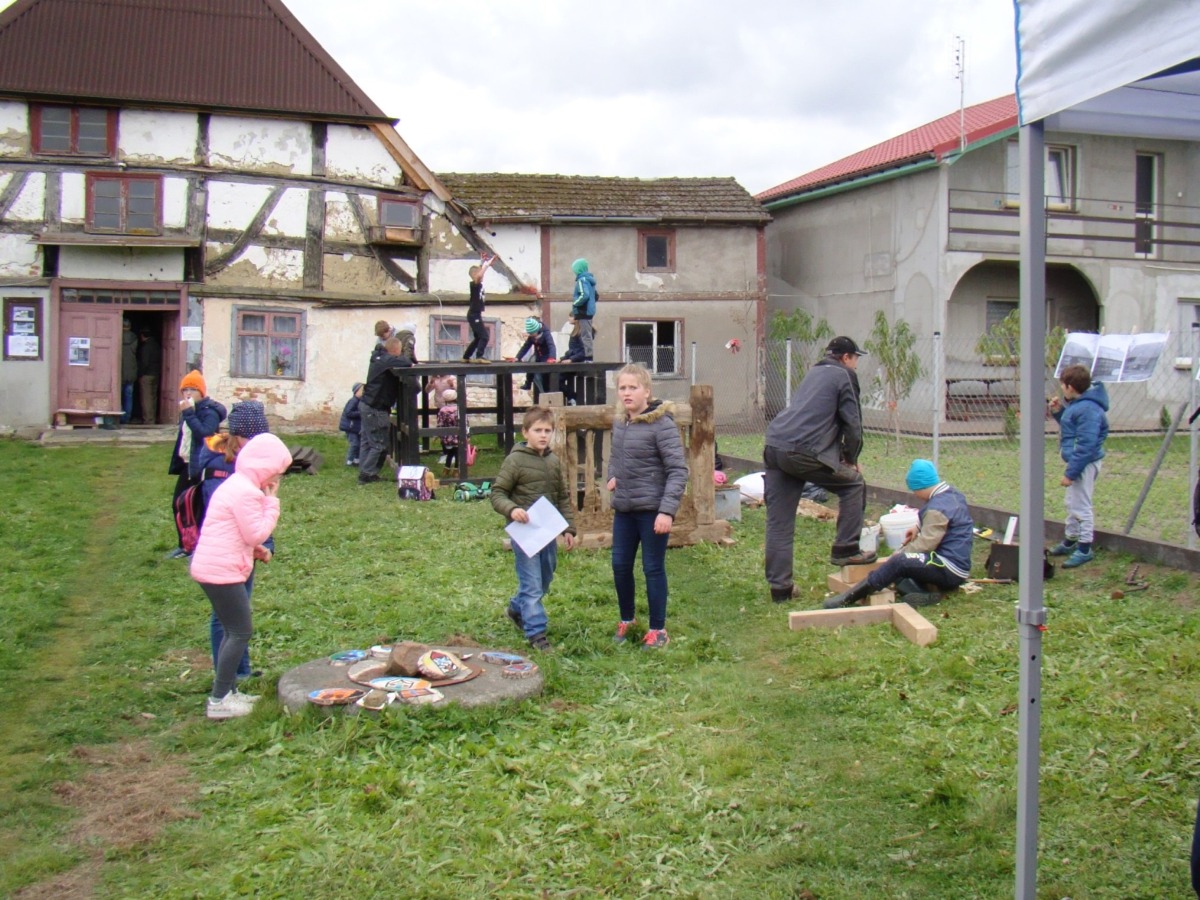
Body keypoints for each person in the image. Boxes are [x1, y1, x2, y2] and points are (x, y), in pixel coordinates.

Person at [763, 335, 872, 603]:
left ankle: (781, 589)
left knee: (779, 523)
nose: (856, 364)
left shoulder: (815, 372)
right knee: (854, 484)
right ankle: (846, 549)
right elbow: (853, 425)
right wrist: (851, 458)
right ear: (846, 357)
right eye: (855, 358)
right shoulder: (844, 375)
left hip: (775, 445)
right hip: (802, 451)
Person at [190, 432, 292, 719]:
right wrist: (272, 503)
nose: (277, 478)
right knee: (239, 632)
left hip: (214, 564)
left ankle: (229, 692)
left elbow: (232, 530)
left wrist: (254, 549)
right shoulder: (247, 492)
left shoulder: (235, 484)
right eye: (276, 471)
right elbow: (256, 531)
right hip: (221, 572)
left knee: (231, 631)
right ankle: (219, 700)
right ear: (263, 466)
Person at [607, 363, 689, 649]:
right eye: (622, 388)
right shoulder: (621, 422)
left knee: (652, 568)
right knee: (620, 565)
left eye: (633, 387)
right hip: (624, 509)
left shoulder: (661, 424)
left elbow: (678, 470)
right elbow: (615, 457)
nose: (627, 393)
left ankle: (658, 630)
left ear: (647, 391)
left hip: (653, 511)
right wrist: (613, 476)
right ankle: (627, 620)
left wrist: (666, 511)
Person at [823, 459, 973, 608]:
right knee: (897, 570)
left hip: (948, 569)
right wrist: (918, 527)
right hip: (955, 564)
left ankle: (849, 598)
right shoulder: (951, 494)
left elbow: (926, 544)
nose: (915, 494)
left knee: (898, 563)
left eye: (914, 490)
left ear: (919, 487)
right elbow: (943, 522)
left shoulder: (936, 509)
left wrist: (900, 555)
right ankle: (923, 595)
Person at [196, 401, 273, 681]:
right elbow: (232, 515)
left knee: (240, 617)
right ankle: (227, 678)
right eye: (255, 440)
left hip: (244, 549)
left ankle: (242, 671)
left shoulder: (244, 465)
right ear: (240, 438)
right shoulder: (222, 467)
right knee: (226, 620)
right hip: (225, 554)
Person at [490, 406, 577, 652]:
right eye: (538, 430)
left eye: (547, 431)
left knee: (545, 579)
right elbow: (497, 493)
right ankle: (536, 633)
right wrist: (512, 510)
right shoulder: (515, 460)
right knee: (532, 584)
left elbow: (561, 497)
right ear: (525, 432)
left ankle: (516, 608)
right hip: (524, 534)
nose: (543, 435)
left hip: (546, 532)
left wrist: (569, 528)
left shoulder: (553, 461)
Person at [1048, 364, 1109, 568]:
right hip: (1078, 462)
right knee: (1071, 502)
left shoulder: (1088, 409)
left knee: (1081, 506)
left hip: (1083, 464)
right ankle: (1071, 539)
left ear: (1071, 387)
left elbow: (1086, 445)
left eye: (1062, 385)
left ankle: (1084, 548)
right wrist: (1059, 412)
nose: (1061, 389)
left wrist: (1071, 473)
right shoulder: (1079, 405)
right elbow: (1071, 428)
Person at [166, 371, 226, 559]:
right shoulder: (189, 409)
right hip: (188, 463)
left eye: (192, 389)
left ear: (201, 391)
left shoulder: (209, 412)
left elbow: (205, 434)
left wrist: (189, 414)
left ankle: (195, 546)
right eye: (185, 390)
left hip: (202, 465)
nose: (188, 393)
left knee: (197, 505)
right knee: (180, 504)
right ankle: (186, 544)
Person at [357, 335, 414, 485]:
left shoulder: (378, 358)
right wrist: (406, 358)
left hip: (368, 405)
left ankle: (368, 472)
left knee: (369, 442)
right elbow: (406, 362)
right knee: (379, 444)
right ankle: (366, 474)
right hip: (375, 407)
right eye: (400, 350)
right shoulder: (386, 360)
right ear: (396, 350)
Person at [463, 256, 495, 362]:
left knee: (478, 338)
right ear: (474, 275)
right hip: (474, 314)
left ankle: (466, 357)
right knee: (484, 336)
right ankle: (479, 356)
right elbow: (479, 275)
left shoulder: (478, 284)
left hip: (475, 314)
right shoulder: (475, 285)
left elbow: (479, 272)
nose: (482, 276)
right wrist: (487, 265)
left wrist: (482, 261)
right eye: (480, 274)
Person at [514, 317, 556, 395]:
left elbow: (551, 345)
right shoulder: (532, 336)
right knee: (531, 362)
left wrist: (552, 357)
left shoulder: (546, 333)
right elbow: (526, 347)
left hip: (546, 357)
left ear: (537, 330)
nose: (531, 335)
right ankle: (528, 383)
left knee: (539, 376)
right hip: (538, 356)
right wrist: (517, 357)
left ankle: (544, 393)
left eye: (532, 333)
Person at [558, 317, 591, 405]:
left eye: (571, 316)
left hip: (577, 362)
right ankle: (571, 397)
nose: (569, 318)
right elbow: (572, 350)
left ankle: (572, 396)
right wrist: (562, 359)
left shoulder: (582, 332)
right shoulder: (576, 331)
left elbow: (584, 352)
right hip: (574, 360)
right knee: (555, 378)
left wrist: (571, 359)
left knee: (557, 379)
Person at [570, 258, 597, 360]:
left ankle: (588, 357)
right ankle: (588, 356)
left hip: (583, 310)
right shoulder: (590, 281)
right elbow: (596, 295)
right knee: (587, 334)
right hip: (589, 310)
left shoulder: (581, 280)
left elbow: (584, 295)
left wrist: (575, 303)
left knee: (585, 335)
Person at [136, 328, 162, 424]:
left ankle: (148, 420)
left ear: (142, 336)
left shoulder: (146, 347)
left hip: (147, 375)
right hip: (156, 374)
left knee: (146, 398)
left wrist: (140, 374)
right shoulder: (156, 345)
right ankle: (152, 418)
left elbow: (144, 362)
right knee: (153, 397)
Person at [436, 388, 460, 473]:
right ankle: (456, 470)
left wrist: (439, 435)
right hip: (458, 435)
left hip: (447, 436)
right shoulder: (459, 409)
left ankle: (446, 469)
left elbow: (440, 423)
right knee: (457, 452)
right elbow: (465, 422)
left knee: (450, 452)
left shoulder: (442, 410)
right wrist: (467, 435)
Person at [339, 383, 363, 467]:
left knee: (359, 444)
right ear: (356, 391)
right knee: (354, 444)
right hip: (350, 427)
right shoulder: (353, 401)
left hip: (356, 427)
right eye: (362, 390)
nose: (364, 392)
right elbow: (348, 413)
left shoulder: (360, 401)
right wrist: (360, 413)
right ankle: (349, 461)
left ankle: (356, 460)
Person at [120, 319, 137, 424]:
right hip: (131, 372)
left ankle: (120, 417)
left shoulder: (117, 336)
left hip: (120, 372)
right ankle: (127, 418)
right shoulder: (134, 338)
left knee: (119, 396)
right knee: (128, 397)